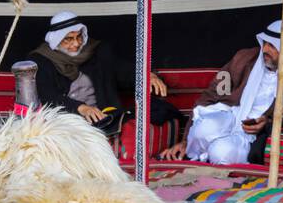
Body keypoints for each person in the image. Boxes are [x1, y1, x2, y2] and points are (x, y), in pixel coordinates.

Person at [160, 21, 283, 165]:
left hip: (258, 135)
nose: (265, 50)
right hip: (233, 114)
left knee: (221, 152)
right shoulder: (244, 59)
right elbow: (212, 93)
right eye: (264, 43)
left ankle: (215, 156)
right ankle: (194, 153)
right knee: (202, 130)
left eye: (272, 46)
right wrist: (185, 140)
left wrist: (269, 124)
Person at [30, 10, 180, 137]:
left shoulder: (98, 51)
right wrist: (81, 108)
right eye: (68, 39)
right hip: (66, 119)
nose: (76, 44)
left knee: (158, 109)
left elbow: (122, 71)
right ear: (56, 40)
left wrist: (146, 77)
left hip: (105, 116)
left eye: (78, 37)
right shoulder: (41, 60)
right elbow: (47, 95)